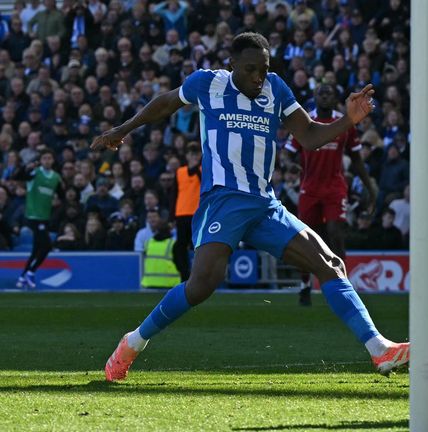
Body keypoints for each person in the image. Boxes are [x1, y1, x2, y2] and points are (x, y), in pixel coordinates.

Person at [92, 32, 408, 382]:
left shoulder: (276, 88)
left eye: (264, 69)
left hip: (264, 203)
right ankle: (132, 343)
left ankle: (378, 349)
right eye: (250, 69)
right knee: (201, 286)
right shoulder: (207, 84)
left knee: (330, 264)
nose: (259, 76)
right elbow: (165, 102)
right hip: (224, 199)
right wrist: (123, 128)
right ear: (232, 67)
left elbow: (310, 137)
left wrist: (349, 119)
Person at [284, 83, 378, 306]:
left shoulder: (345, 121)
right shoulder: (305, 122)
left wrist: (370, 187)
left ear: (335, 96)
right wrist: (292, 166)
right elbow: (287, 154)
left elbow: (356, 159)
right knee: (307, 239)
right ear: (315, 97)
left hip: (335, 187)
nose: (325, 96)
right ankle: (305, 284)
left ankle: (342, 285)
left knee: (336, 231)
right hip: (309, 188)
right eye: (321, 93)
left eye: (329, 92)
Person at [15, 148, 63, 289]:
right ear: (41, 161)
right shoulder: (35, 173)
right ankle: (31, 271)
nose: (47, 161)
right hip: (33, 216)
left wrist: (57, 201)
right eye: (45, 158)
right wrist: (25, 168)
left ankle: (22, 277)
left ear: (53, 161)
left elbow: (62, 195)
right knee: (47, 246)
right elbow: (18, 176)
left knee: (36, 249)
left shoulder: (55, 177)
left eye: (49, 158)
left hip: (45, 217)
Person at [170, 142, 201, 281]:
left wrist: (196, 167)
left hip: (197, 214)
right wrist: (172, 216)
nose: (193, 156)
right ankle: (185, 275)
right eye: (191, 153)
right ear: (187, 155)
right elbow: (174, 194)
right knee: (179, 248)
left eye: (196, 153)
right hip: (182, 214)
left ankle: (198, 276)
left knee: (198, 247)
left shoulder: (203, 170)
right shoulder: (180, 172)